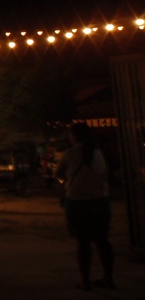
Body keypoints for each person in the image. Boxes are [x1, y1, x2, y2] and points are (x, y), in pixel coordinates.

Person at [54, 122, 115, 291]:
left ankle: (85, 281)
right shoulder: (98, 154)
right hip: (100, 201)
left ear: (74, 136)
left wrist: (64, 182)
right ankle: (108, 278)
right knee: (102, 241)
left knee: (83, 243)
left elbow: (58, 173)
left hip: (78, 202)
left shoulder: (70, 154)